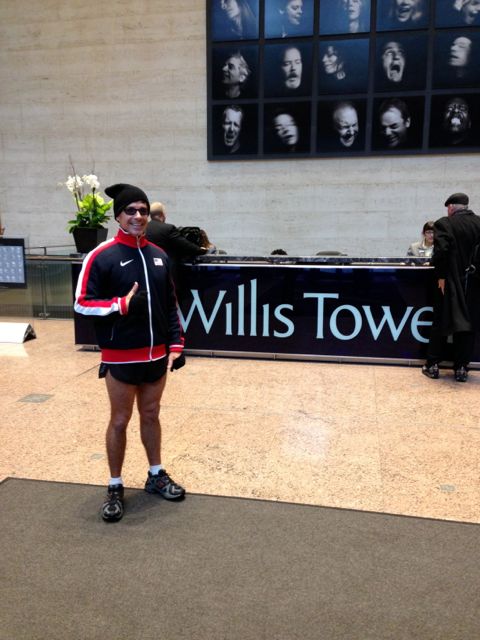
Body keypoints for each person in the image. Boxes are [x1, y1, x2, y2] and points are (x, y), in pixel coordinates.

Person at [74, 183, 186, 522]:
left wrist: (177, 343)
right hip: (121, 357)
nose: (138, 216)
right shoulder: (101, 255)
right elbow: (82, 303)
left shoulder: (159, 255)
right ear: (118, 216)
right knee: (120, 420)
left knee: (151, 415)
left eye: (143, 210)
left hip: (155, 356)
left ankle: (155, 475)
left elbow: (171, 305)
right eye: (131, 211)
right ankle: (115, 485)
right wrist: (119, 305)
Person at [422, 193, 480, 382]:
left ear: (452, 207)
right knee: (468, 325)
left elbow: (441, 253)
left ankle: (432, 365)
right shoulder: (478, 223)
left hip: (450, 282)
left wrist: (440, 276)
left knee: (441, 322)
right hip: (473, 283)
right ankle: (461, 368)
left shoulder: (444, 224)